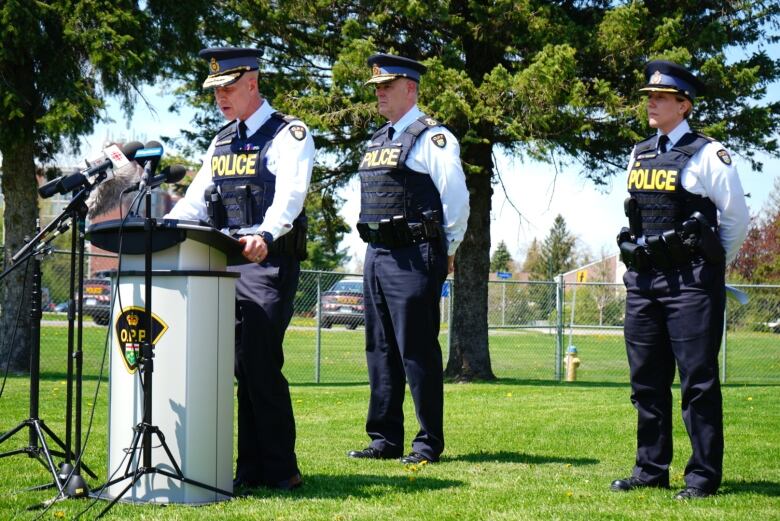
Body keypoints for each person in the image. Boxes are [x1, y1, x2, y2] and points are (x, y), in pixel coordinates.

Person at [166, 47, 314, 491]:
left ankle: (281, 469)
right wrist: (161, 231)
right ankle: (250, 469)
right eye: (215, 91)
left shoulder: (290, 134)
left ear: (252, 81)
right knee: (237, 365)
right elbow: (195, 201)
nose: (220, 98)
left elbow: (291, 195)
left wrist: (265, 235)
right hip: (223, 261)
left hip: (267, 260)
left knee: (260, 362)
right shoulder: (222, 141)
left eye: (228, 88)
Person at [612, 60, 749, 499]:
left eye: (661, 97)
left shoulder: (710, 154)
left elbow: (735, 220)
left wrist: (709, 263)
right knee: (646, 381)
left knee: (698, 381)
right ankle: (650, 469)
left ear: (684, 105)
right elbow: (633, 214)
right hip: (645, 280)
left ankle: (702, 477)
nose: (651, 103)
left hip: (691, 282)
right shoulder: (640, 153)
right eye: (649, 96)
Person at [347, 54, 470, 465]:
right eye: (376, 87)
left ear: (411, 89)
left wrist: (447, 248)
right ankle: (384, 439)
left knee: (416, 349)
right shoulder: (380, 139)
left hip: (415, 254)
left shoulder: (432, 137)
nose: (379, 92)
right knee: (379, 348)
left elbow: (456, 198)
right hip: (377, 253)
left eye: (387, 86)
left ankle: (427, 443)